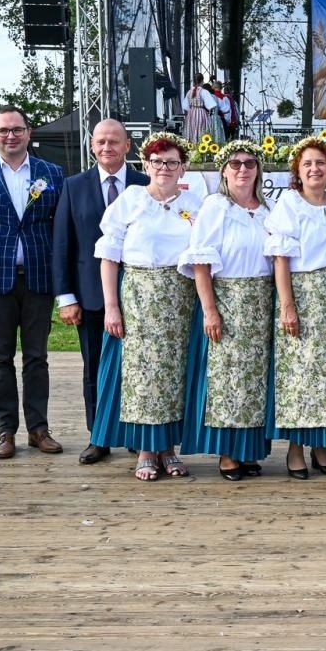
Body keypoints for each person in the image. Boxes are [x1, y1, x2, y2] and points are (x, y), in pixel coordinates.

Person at [91, 136, 204, 481]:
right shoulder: (132, 200)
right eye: (157, 162)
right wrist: (112, 307)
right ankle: (145, 449)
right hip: (139, 296)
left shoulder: (195, 204)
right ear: (146, 166)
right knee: (143, 375)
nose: (164, 169)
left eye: (171, 162)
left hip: (181, 298)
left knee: (174, 373)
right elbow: (109, 256)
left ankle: (168, 448)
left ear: (182, 167)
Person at [0, 105, 67, 460]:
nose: (10, 136)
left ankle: (39, 429)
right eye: (3, 130)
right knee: (0, 357)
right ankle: (5, 431)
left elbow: (60, 229)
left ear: (28, 132)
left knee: (37, 356)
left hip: (38, 277)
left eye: (17, 129)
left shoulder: (53, 173)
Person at [51, 120, 149, 464]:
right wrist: (66, 298)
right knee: (95, 367)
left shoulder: (145, 184)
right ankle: (98, 436)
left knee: (138, 367)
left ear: (128, 146)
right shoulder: (73, 186)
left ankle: (139, 434)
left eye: (114, 141)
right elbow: (62, 244)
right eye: (100, 142)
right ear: (92, 146)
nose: (107, 147)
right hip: (90, 296)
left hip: (142, 297)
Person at [180, 139, 274, 479]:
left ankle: (249, 451)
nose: (243, 169)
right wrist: (210, 310)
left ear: (259, 170)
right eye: (235, 163)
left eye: (250, 163)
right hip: (228, 299)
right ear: (223, 170)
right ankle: (227, 454)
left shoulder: (267, 210)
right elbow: (201, 263)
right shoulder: (216, 207)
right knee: (227, 379)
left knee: (255, 380)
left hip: (261, 302)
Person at [266, 135, 326, 478]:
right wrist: (287, 306)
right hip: (303, 294)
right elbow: (280, 258)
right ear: (297, 172)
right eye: (307, 164)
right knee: (300, 375)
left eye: (320, 162)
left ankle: (321, 446)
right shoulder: (290, 204)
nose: (314, 169)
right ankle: (295, 449)